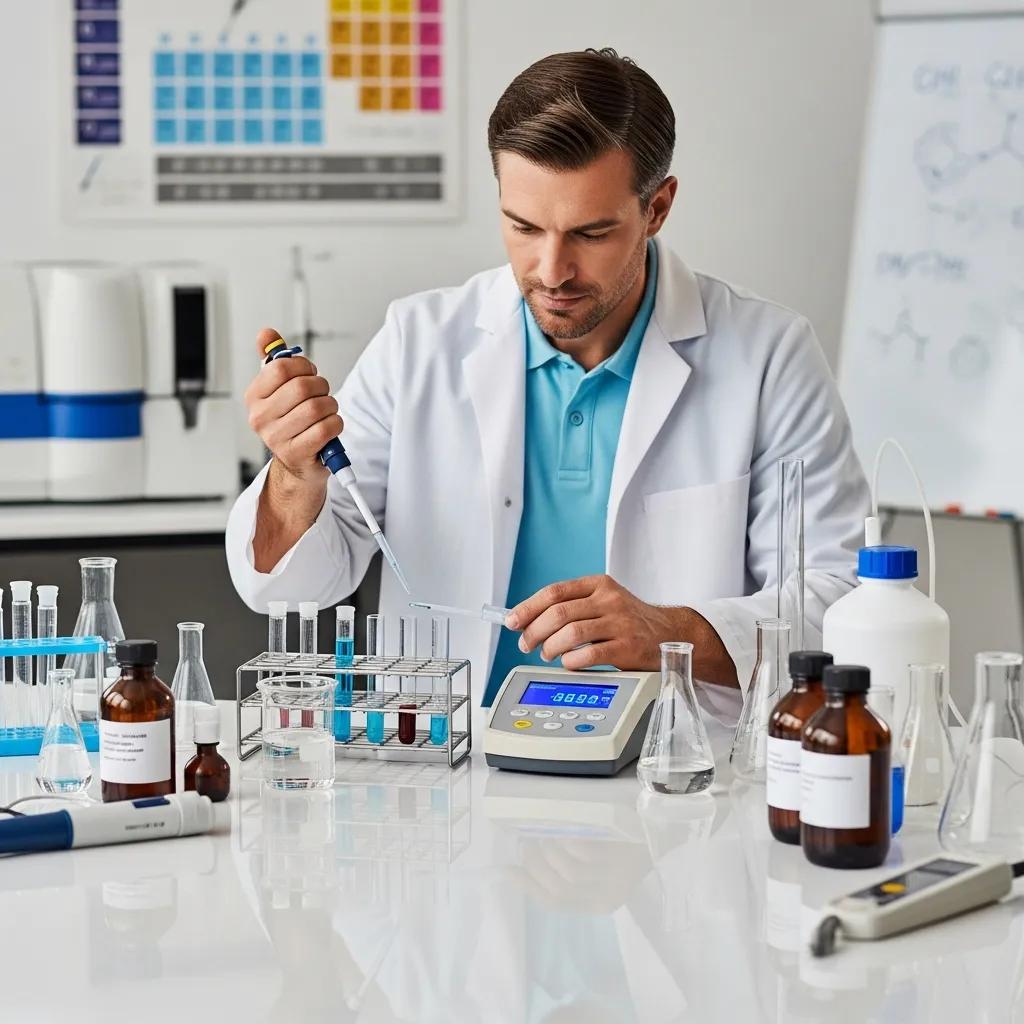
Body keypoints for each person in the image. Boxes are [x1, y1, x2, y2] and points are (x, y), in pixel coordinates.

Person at [226, 47, 868, 718]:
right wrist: (296, 478)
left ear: (658, 207)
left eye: (591, 233)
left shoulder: (767, 356)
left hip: (673, 774)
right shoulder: (419, 343)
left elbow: (844, 600)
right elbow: (287, 591)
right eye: (523, 227)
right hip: (451, 769)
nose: (552, 269)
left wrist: (671, 632)